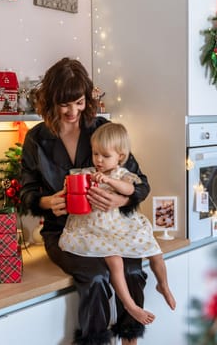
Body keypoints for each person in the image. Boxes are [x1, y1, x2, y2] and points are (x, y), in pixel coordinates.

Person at [20, 57, 151, 345]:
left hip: (109, 228)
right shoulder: (37, 139)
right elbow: (25, 193)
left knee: (131, 268)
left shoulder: (101, 129)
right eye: (64, 104)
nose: (72, 111)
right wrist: (47, 203)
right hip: (64, 232)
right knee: (95, 277)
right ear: (50, 100)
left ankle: (130, 339)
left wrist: (119, 199)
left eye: (78, 102)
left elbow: (140, 184)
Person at [59, 123, 176, 326]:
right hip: (96, 227)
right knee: (115, 261)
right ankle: (130, 305)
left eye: (105, 156)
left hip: (120, 225)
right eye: (95, 153)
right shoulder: (89, 172)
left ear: (120, 157)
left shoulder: (122, 174)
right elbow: (72, 180)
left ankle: (163, 285)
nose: (98, 160)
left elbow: (132, 189)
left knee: (154, 250)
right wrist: (70, 185)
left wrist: (109, 181)